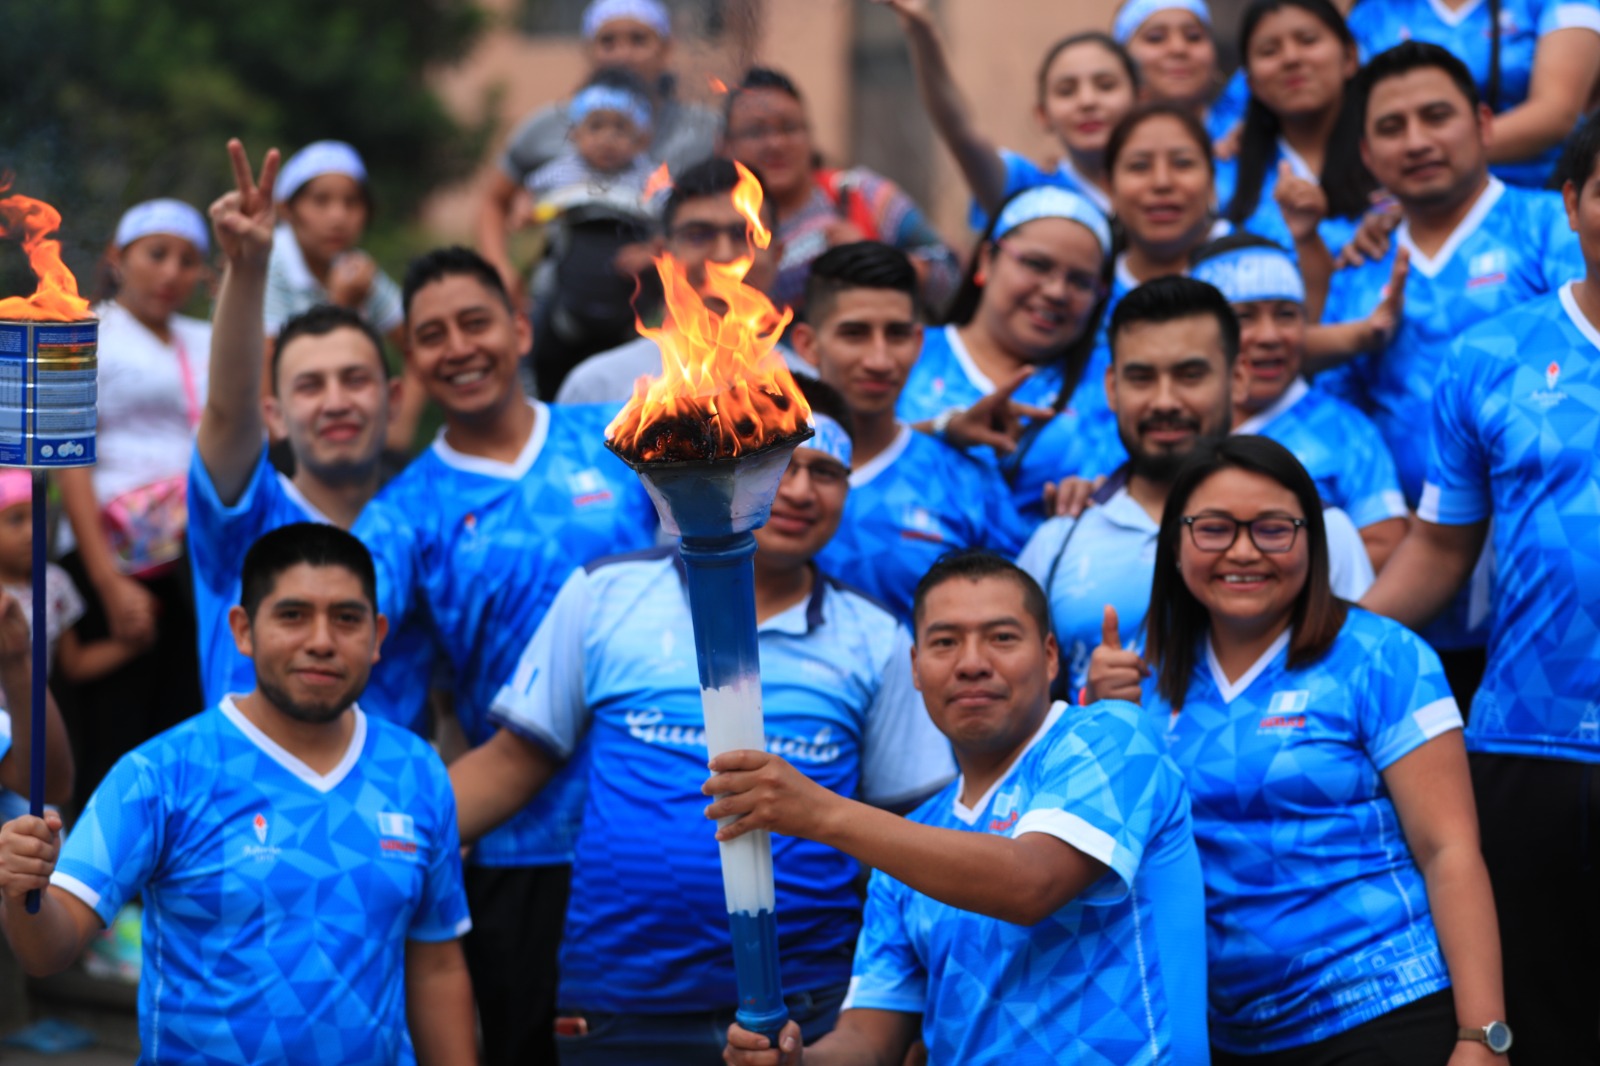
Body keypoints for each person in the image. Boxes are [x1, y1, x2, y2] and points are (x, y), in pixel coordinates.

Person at [450, 379, 957, 1065]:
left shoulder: (876, 638)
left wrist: (893, 1016)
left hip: (805, 1010)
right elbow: (513, 763)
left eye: (826, 472)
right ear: (728, 462)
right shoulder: (606, 593)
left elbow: (913, 836)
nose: (800, 490)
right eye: (779, 465)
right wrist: (388, 836)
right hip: (618, 1006)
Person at [1088, 436, 1507, 1064]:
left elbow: (1449, 851)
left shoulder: (1383, 655)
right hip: (1222, 1034)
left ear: (1313, 539)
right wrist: (1103, 722)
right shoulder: (1132, 670)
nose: (1243, 551)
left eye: (1273, 529)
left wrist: (1483, 1037)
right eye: (1214, 529)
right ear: (1175, 545)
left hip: (1383, 1009)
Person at [0, 523, 475, 1065]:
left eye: (346, 618)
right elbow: (48, 950)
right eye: (293, 615)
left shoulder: (417, 770)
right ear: (243, 630)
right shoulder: (160, 774)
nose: (321, 640)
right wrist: (23, 892)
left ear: (378, 635)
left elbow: (438, 963)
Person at [716, 550, 1207, 1065]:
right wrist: (797, 1062)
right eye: (945, 642)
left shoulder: (1111, 737)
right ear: (915, 668)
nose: (972, 663)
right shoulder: (907, 841)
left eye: (1002, 638)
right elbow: (870, 1038)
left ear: (1050, 656)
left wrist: (821, 813)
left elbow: (1029, 884)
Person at [353, 245, 659, 1065]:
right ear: (410, 359)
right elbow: (361, 673)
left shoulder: (619, 437)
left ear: (520, 329)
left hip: (663, 815)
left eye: (476, 322)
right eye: (431, 335)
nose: (458, 347)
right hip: (519, 845)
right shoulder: (403, 514)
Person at [1357, 112, 1600, 1064]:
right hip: (1526, 748)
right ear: (1573, 203)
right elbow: (1439, 552)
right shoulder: (1489, 356)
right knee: (1550, 1025)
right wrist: (1334, 645)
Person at [1316, 41, 1585, 690]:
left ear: (1485, 124)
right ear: (1367, 154)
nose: (1416, 140)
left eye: (1437, 115)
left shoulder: (1556, 225)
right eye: (1390, 126)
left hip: (1547, 572)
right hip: (1410, 569)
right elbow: (1338, 414)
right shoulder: (1359, 266)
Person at [1018, 276, 1374, 697]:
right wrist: (1089, 709)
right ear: (1112, 388)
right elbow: (1020, 720)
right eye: (1142, 377)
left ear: (1238, 378)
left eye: (1190, 375)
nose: (1165, 401)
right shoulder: (1057, 541)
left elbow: (1369, 690)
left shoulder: (1320, 532)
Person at [189, 140, 406, 714]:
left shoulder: (426, 521)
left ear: (394, 398)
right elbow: (229, 408)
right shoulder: (247, 517)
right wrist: (247, 265)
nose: (335, 402)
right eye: (309, 386)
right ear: (275, 413)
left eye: (356, 379)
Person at [57, 197, 210, 805]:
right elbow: (70, 458)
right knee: (113, 731)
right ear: (118, 259)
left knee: (182, 722)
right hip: (109, 565)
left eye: (188, 259)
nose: (172, 271)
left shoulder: (204, 340)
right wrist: (106, 579)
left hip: (191, 569)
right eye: (157, 254)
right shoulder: (83, 331)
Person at [798, 242, 1029, 621]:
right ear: (808, 344)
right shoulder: (760, 471)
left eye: (897, 334)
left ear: (920, 342)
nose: (879, 360)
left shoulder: (968, 482)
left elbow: (1015, 622)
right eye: (854, 334)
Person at [896, 186, 1122, 523]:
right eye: (1036, 264)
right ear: (987, 259)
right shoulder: (901, 351)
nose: (1057, 292)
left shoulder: (1113, 386)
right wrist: (943, 429)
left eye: (1080, 281)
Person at [475, 0, 721, 298]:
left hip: (667, 307)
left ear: (666, 47)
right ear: (587, 49)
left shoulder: (705, 131)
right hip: (561, 303)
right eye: (608, 41)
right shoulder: (546, 127)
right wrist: (500, 266)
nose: (622, 54)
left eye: (638, 39)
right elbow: (496, 200)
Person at [1189, 234, 1408, 568]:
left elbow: (1387, 546)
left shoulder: (1344, 429)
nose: (1269, 336)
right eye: (1243, 317)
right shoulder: (1172, 425)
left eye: (1286, 314)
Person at [554, 157, 813, 404]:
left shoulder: (809, 395)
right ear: (663, 255)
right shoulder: (597, 388)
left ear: (777, 253)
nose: (723, 255)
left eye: (744, 234)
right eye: (698, 235)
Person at [723, 67, 963, 317]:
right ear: (724, 145)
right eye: (756, 132)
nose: (775, 143)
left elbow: (951, 272)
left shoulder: (863, 196)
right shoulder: (715, 224)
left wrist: (873, 257)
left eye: (789, 128)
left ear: (810, 137)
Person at [880, 0, 1138, 221]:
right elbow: (962, 133)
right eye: (1066, 90)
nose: (1087, 101)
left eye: (1106, 86)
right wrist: (921, 29)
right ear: (1042, 115)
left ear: (1139, 98)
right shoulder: (1027, 188)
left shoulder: (1165, 187)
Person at [264, 139, 420, 457]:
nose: (338, 216)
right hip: (278, 446)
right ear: (287, 210)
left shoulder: (355, 268)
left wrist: (398, 431)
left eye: (352, 203)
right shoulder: (269, 264)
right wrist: (340, 305)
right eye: (321, 201)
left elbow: (417, 344)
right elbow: (268, 376)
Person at [1346, 0, 1600, 188]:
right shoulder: (1372, 14)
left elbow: (1557, 113)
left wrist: (1430, 161)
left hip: (1538, 192)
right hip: (1408, 198)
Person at [523, 67, 660, 398]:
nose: (607, 138)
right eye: (596, 126)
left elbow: (673, 227)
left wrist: (650, 252)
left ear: (642, 138)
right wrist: (527, 213)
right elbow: (525, 201)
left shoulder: (650, 177)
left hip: (630, 312)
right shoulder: (561, 173)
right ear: (576, 133)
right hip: (563, 305)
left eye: (621, 128)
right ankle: (527, 384)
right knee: (534, 331)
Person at [1217, 0, 1376, 260]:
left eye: (1308, 40)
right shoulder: (1223, 172)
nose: (1291, 59)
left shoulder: (1393, 157)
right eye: (1269, 51)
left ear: (1350, 57)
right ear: (1250, 82)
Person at [0, 471, 143, 688]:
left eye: (41, 518)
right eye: (16, 520)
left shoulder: (55, 584)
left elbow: (74, 664)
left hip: (33, 716)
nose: (32, 532)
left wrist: (134, 645)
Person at [1114, 0, 1243, 142]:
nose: (1179, 48)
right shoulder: (1106, 143)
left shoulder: (1249, 129)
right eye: (1156, 38)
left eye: (1194, 36)